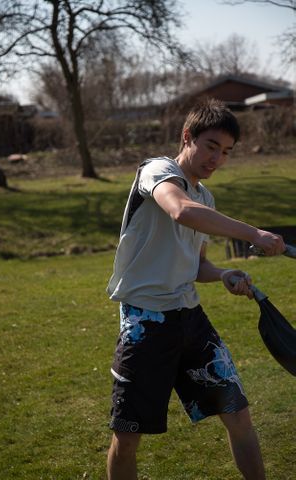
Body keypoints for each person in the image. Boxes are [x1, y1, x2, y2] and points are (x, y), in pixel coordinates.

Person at [106, 98, 285, 480]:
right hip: (145, 320)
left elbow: (196, 265)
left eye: (226, 152)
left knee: (238, 414)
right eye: (211, 146)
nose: (217, 159)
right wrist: (254, 233)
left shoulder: (206, 197)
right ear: (187, 137)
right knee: (128, 436)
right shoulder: (157, 171)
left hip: (190, 318)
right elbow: (180, 210)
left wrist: (221, 274)